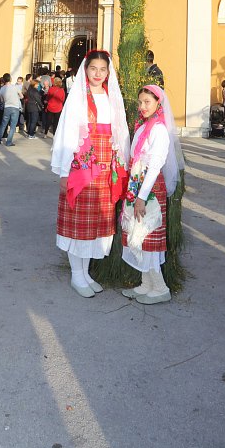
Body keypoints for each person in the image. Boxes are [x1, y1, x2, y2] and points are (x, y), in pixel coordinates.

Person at [51, 49, 130, 298]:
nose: (97, 73)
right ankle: (77, 274)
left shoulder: (110, 96)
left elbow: (120, 131)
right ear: (86, 70)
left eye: (102, 69)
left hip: (106, 166)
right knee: (79, 221)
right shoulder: (78, 98)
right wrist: (65, 171)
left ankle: (86, 273)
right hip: (82, 166)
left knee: (96, 221)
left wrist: (121, 161)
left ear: (108, 73)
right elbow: (67, 134)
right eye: (93, 68)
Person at [121, 84, 184, 304]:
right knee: (137, 234)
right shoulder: (143, 126)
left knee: (147, 236)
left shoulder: (159, 130)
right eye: (140, 102)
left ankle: (160, 288)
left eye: (147, 102)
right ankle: (146, 284)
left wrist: (140, 197)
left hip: (149, 190)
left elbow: (155, 165)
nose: (143, 106)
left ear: (158, 103)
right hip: (137, 185)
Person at [0, 73, 22, 147]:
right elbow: (21, 96)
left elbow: (2, 100)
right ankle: (9, 142)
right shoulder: (15, 87)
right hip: (15, 107)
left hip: (7, 107)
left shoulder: (2, 89)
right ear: (10, 79)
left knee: (3, 124)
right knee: (13, 126)